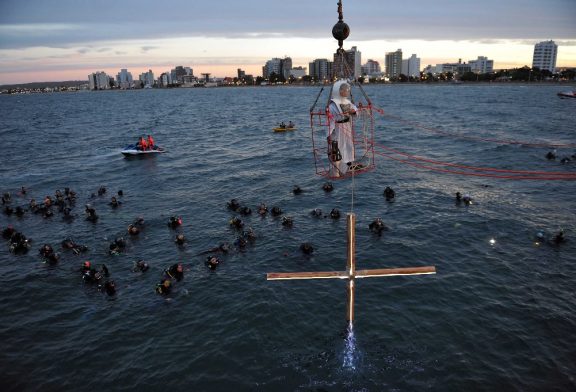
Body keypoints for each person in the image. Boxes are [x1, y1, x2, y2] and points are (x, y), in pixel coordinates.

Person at [327, 80, 358, 176]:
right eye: (346, 90)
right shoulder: (332, 106)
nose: (348, 92)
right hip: (338, 127)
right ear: (340, 91)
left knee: (349, 146)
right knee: (337, 148)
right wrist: (328, 134)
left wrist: (354, 111)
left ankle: (347, 165)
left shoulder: (347, 102)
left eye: (348, 90)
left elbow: (355, 109)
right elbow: (330, 121)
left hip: (347, 126)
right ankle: (337, 170)